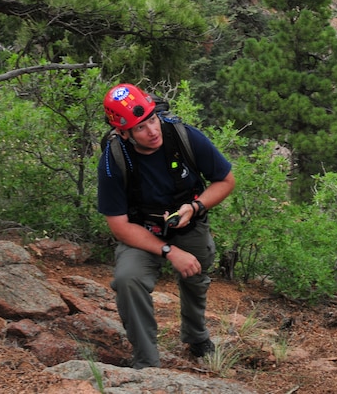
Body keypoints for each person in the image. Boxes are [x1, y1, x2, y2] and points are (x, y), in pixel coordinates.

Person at [97, 83, 236, 369]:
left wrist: (195, 207)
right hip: (142, 232)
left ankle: (197, 337)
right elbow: (119, 226)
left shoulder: (184, 136)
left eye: (152, 119)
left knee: (196, 274)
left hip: (187, 221)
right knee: (128, 280)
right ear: (124, 132)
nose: (152, 131)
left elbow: (226, 180)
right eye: (140, 128)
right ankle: (147, 364)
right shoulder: (114, 159)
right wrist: (170, 251)